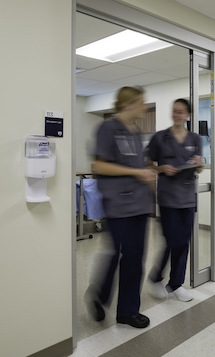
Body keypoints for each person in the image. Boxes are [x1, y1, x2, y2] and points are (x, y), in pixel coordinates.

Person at [86, 86, 156, 329]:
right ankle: (98, 295)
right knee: (115, 255)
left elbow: (138, 163)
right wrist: (136, 172)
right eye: (141, 103)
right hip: (117, 203)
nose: (144, 107)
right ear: (128, 104)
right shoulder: (108, 128)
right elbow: (99, 166)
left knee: (135, 259)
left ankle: (127, 311)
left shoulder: (136, 132)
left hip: (138, 204)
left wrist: (148, 172)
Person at [147, 99, 203, 302]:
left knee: (184, 242)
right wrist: (161, 169)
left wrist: (199, 164)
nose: (177, 115)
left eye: (181, 112)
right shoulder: (160, 138)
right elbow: (149, 164)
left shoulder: (196, 138)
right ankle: (155, 277)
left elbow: (199, 168)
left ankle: (175, 284)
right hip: (168, 198)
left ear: (188, 115)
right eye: (174, 111)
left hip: (188, 197)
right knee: (172, 240)